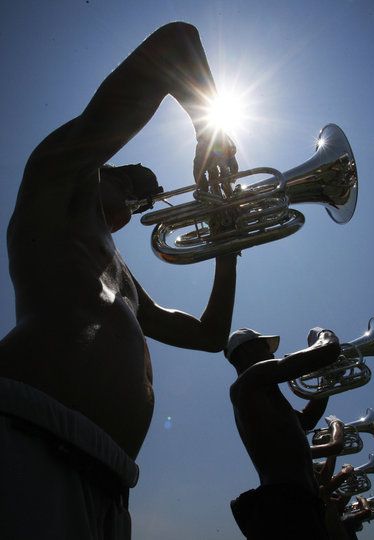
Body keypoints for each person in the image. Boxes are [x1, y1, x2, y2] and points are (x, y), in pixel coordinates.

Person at [0, 22, 238, 539]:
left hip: (112, 487)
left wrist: (228, 247)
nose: (136, 204)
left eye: (143, 201)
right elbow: (177, 41)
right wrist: (208, 128)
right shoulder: (54, 173)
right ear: (99, 167)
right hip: (30, 438)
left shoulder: (119, 275)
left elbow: (208, 335)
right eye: (130, 182)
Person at [225, 326, 341, 539]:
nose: (272, 354)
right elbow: (328, 350)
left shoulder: (265, 395)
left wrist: (327, 379)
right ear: (246, 351)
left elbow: (307, 419)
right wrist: (321, 333)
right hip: (284, 503)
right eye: (264, 347)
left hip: (301, 501)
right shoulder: (249, 381)